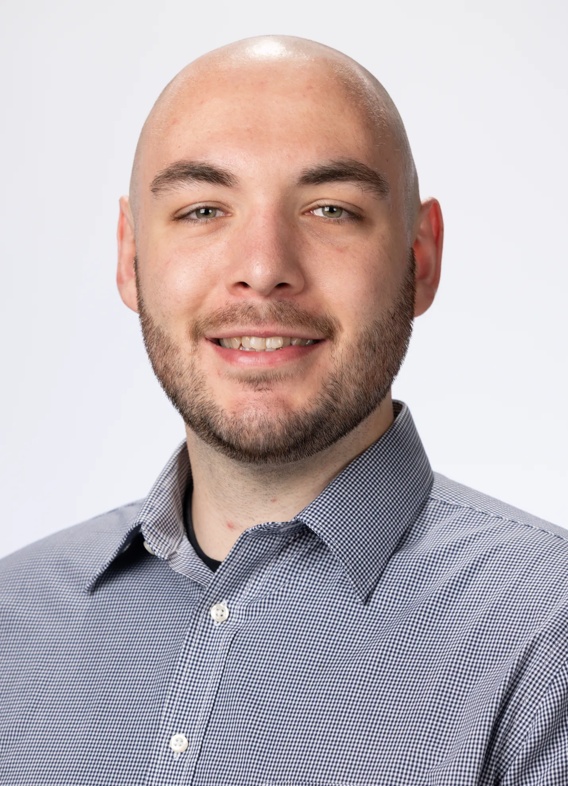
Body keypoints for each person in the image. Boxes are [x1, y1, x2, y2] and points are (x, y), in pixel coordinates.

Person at [1, 35, 567, 786]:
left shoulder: (547, 634)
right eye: (203, 209)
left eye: (331, 209)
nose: (264, 269)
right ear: (129, 258)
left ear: (420, 258)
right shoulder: (13, 618)